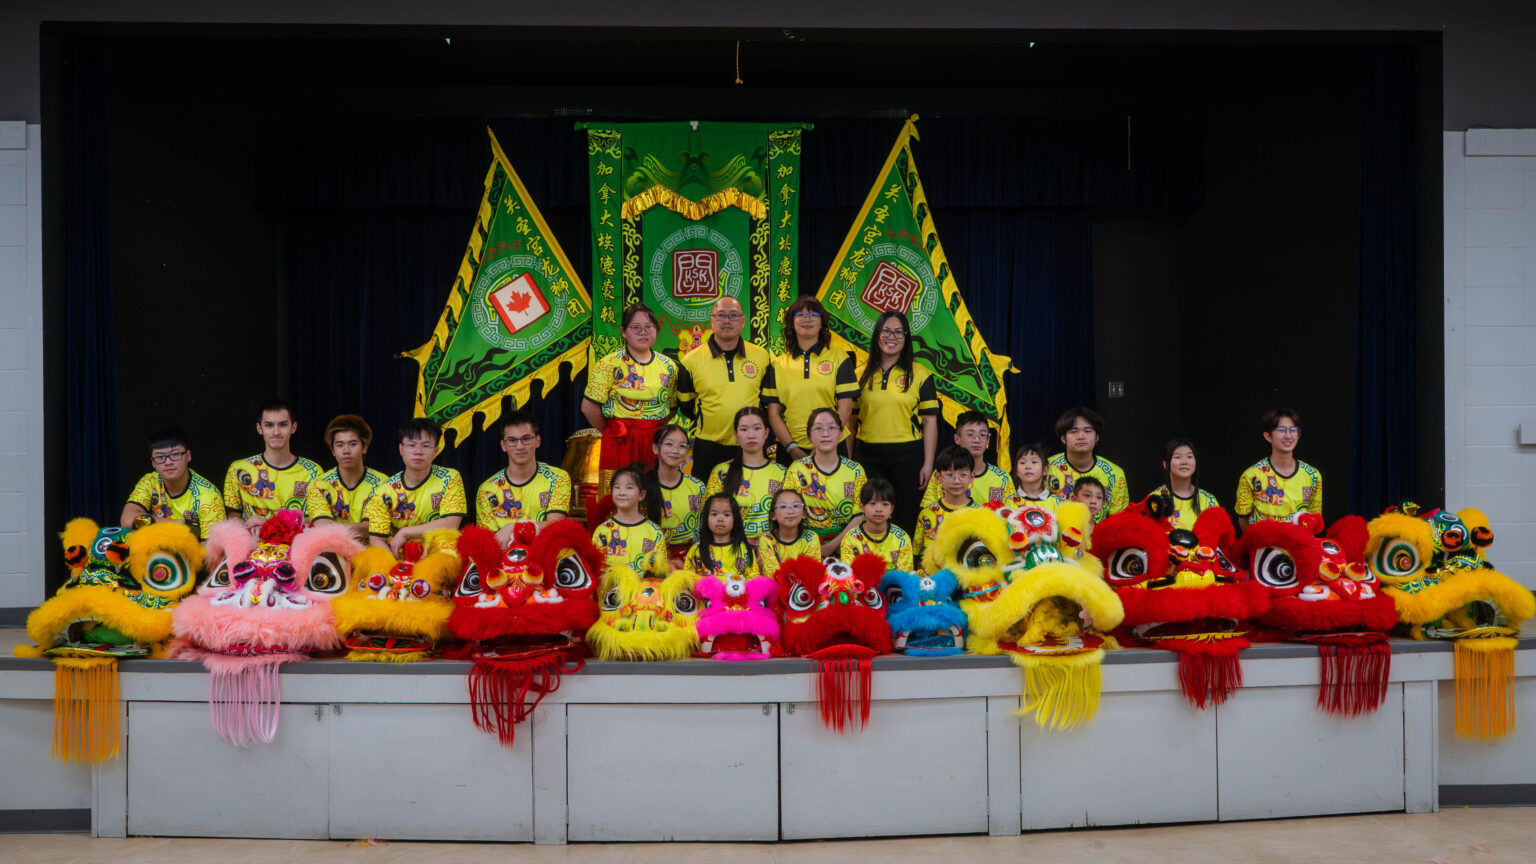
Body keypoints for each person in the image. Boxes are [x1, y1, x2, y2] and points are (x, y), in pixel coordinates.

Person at [851, 310, 940, 533]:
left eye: (899, 332)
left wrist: (928, 464)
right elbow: (851, 422)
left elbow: (930, 422)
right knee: (870, 515)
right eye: (886, 330)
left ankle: (905, 564)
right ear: (877, 335)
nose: (892, 337)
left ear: (907, 337)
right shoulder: (859, 373)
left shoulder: (920, 374)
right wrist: (850, 459)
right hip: (868, 455)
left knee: (906, 514)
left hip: (908, 455)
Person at [581, 302, 678, 489]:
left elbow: (672, 407)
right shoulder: (608, 364)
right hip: (619, 440)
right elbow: (588, 407)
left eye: (649, 327)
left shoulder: (669, 366)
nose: (643, 332)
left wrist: (651, 429)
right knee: (617, 496)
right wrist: (611, 431)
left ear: (656, 330)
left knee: (651, 494)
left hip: (653, 442)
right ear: (624, 331)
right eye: (635, 327)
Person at [676, 297, 771, 482]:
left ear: (743, 321)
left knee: (753, 498)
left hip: (751, 444)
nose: (727, 320)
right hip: (708, 446)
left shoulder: (762, 356)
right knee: (707, 501)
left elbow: (768, 402)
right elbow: (686, 406)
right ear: (712, 320)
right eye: (721, 315)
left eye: (733, 315)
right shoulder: (691, 361)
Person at [762, 296, 857, 465]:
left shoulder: (839, 358)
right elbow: (773, 413)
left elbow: (845, 407)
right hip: (789, 448)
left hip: (832, 445)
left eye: (814, 315)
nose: (807, 319)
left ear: (823, 323)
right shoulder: (779, 364)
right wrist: (792, 448)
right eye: (801, 314)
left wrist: (824, 443)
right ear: (791, 322)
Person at [364, 419, 467, 553]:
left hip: (439, 552)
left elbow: (451, 524)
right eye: (412, 445)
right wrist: (395, 567)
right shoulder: (385, 491)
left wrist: (405, 532)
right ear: (401, 449)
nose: (418, 451)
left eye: (425, 446)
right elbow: (377, 540)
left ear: (436, 450)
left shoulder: (449, 478)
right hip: (400, 555)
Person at [475, 410, 571, 547]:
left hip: (545, 553)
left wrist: (513, 529)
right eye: (512, 440)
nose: (520, 446)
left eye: (526, 439)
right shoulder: (487, 489)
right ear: (503, 445)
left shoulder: (558, 478)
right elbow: (490, 542)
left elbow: (555, 526)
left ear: (537, 441)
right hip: (504, 559)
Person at [223, 399, 322, 529]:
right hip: (254, 544)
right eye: (269, 425)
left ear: (293, 427)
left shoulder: (313, 471)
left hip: (297, 544)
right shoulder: (239, 469)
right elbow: (232, 517)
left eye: (283, 425)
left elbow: (316, 520)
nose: (276, 432)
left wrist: (270, 525)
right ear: (259, 428)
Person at [783, 407, 867, 557]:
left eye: (831, 428)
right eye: (819, 428)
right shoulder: (798, 469)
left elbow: (860, 515)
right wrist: (812, 545)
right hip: (805, 543)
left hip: (846, 542)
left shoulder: (855, 470)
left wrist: (831, 547)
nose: (825, 433)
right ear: (810, 435)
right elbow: (789, 512)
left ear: (841, 434)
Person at [120, 427, 224, 540]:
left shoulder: (208, 496)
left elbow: (212, 552)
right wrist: (184, 525)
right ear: (153, 462)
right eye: (160, 457)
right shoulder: (150, 482)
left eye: (175, 454)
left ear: (188, 456)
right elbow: (127, 520)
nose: (168, 462)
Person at [705, 407, 787, 543]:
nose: (751, 435)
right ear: (736, 435)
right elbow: (709, 517)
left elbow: (789, 517)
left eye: (757, 428)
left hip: (772, 549)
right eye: (744, 429)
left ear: (766, 433)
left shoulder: (781, 472)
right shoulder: (721, 472)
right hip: (730, 549)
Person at [305, 414, 388, 542]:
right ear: (332, 450)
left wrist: (334, 528)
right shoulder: (318, 486)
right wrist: (361, 528)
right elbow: (322, 528)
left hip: (371, 554)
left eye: (353, 444)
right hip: (333, 553)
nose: (346, 451)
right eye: (339, 445)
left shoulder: (383, 484)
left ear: (364, 447)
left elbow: (370, 530)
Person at [1234, 409, 1321, 528]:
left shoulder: (1312, 475)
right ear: (1267, 436)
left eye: (1293, 430)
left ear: (1298, 435)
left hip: (1299, 544)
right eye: (1282, 430)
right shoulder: (1252, 475)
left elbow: (1315, 520)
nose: (1288, 435)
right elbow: (1243, 518)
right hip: (1264, 544)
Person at [1047, 407, 1128, 523]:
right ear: (1063, 438)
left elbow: (1119, 521)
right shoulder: (1047, 468)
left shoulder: (1115, 473)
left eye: (1088, 431)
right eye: (1074, 431)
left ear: (1097, 437)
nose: (1081, 436)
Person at [920, 410, 1014, 509]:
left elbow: (1014, 516)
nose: (977, 440)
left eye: (982, 435)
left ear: (988, 440)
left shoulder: (1002, 478)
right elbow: (928, 514)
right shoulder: (943, 473)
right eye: (970, 434)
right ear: (957, 439)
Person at [647, 424, 706, 566]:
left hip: (690, 560)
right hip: (650, 559)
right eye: (668, 444)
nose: (675, 450)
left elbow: (704, 528)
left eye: (682, 446)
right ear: (655, 448)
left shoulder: (697, 487)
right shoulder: (642, 487)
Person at [591, 463, 667, 571]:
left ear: (642, 495)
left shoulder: (654, 531)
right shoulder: (603, 531)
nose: (622, 493)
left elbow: (659, 572)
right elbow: (596, 570)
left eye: (629, 487)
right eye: (617, 487)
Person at [913, 446, 980, 567]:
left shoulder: (980, 513)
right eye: (949, 475)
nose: (956, 481)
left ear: (971, 477)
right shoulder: (927, 514)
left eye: (963, 475)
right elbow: (918, 556)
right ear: (938, 478)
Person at [839, 478, 914, 571]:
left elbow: (904, 577)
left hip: (894, 585)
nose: (879, 509)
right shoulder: (850, 539)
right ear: (861, 507)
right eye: (873, 503)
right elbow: (850, 577)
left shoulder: (902, 538)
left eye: (885, 504)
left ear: (892, 509)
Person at [685, 493, 760, 580]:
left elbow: (754, 580)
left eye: (726, 515)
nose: (720, 519)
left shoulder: (743, 548)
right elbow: (687, 580)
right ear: (706, 518)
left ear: (735, 518)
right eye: (714, 514)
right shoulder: (696, 549)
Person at [1148, 438, 1219, 528]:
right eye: (1177, 457)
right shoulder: (1155, 499)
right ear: (1165, 464)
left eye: (1189, 457)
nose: (1184, 462)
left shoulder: (1208, 501)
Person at [757, 488, 821, 579]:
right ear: (773, 515)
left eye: (796, 506)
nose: (790, 511)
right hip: (776, 589)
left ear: (804, 514)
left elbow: (811, 573)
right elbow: (773, 575)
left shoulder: (811, 538)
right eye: (783, 507)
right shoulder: (766, 539)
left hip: (803, 589)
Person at [1007, 442, 1059, 510]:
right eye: (1023, 462)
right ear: (1016, 471)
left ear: (1045, 470)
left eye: (1034, 462)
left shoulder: (1055, 501)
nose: (1028, 466)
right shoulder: (1011, 501)